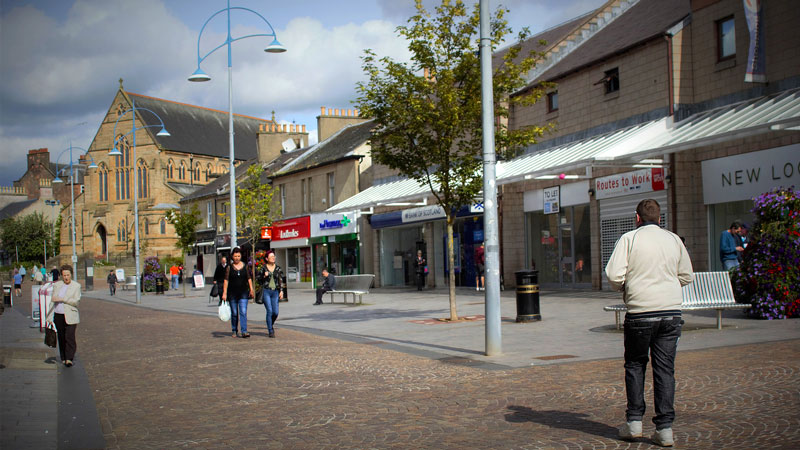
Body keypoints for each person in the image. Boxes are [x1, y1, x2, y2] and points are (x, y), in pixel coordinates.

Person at [605, 199, 694, 447]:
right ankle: (665, 429)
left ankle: (634, 422)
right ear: (660, 218)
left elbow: (613, 274)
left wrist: (623, 286)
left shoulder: (629, 239)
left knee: (635, 365)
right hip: (670, 313)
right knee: (665, 369)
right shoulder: (673, 240)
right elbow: (687, 275)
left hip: (640, 312)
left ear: (637, 218)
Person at [45, 264, 82, 367]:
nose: (66, 277)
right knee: (61, 337)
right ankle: (63, 357)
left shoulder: (76, 286)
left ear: (71, 275)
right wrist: (49, 317)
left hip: (70, 315)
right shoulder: (57, 285)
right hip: (58, 315)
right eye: (64, 275)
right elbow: (53, 301)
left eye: (68, 275)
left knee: (69, 337)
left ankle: (69, 358)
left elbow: (76, 302)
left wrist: (62, 299)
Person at [222, 247, 254, 338]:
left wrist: (251, 289)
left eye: (238, 256)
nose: (237, 258)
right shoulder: (229, 267)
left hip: (243, 292)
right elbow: (226, 280)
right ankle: (234, 330)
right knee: (235, 313)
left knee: (243, 311)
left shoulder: (245, 266)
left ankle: (244, 331)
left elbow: (249, 278)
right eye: (235, 256)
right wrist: (224, 293)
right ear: (232, 256)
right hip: (232, 293)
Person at [258, 251, 284, 338]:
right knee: (269, 310)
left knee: (275, 312)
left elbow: (281, 280)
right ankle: (270, 330)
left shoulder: (278, 269)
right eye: (271, 256)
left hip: (275, 292)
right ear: (266, 259)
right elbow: (259, 280)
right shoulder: (263, 268)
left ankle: (270, 323)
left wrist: (281, 291)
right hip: (266, 291)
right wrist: (263, 276)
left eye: (274, 256)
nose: (273, 258)